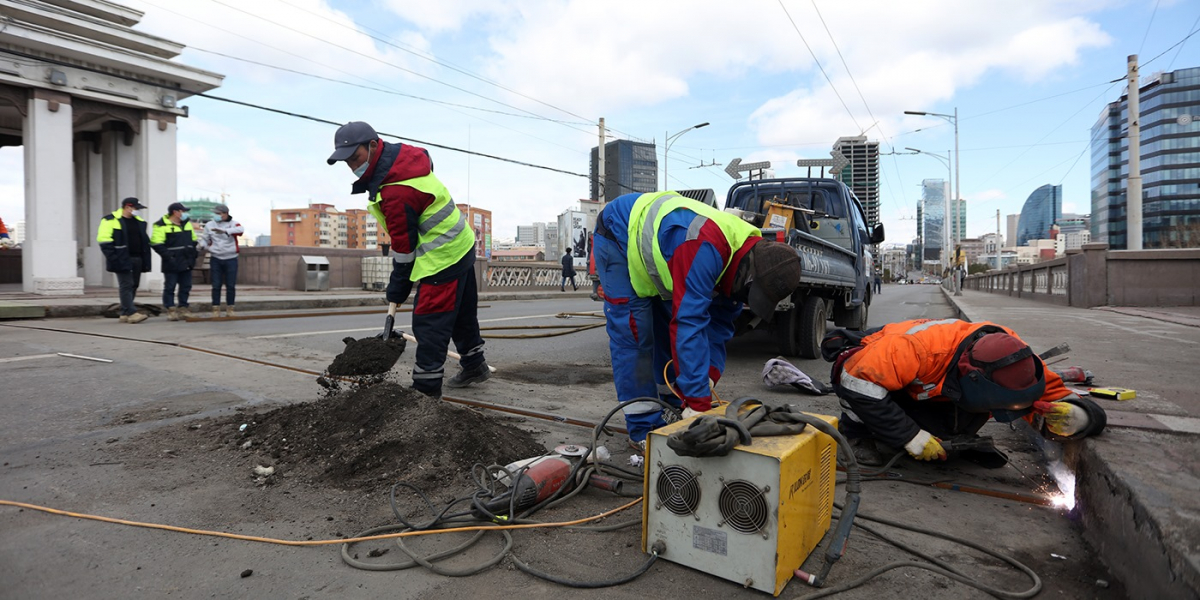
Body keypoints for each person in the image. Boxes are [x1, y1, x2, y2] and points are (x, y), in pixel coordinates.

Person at [595, 191, 803, 451]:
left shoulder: (745, 255)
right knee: (635, 334)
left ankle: (670, 404)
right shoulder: (704, 247)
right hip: (618, 234)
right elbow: (688, 325)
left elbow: (718, 327)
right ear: (749, 274)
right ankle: (642, 429)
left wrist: (709, 377)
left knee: (663, 332)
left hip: (664, 252)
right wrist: (699, 403)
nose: (746, 299)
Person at [327, 121, 488, 398]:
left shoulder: (396, 190)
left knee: (430, 322)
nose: (353, 167)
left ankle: (424, 393)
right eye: (347, 161)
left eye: (356, 158)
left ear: (373, 146)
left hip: (443, 258)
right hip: (462, 245)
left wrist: (398, 287)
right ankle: (474, 364)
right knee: (461, 315)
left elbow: (404, 248)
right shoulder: (403, 160)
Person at [826, 318, 1106, 466]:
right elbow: (856, 379)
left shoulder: (1015, 357)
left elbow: (1066, 400)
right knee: (855, 381)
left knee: (946, 429)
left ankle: (942, 434)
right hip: (867, 359)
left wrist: (1080, 417)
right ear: (971, 378)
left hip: (924, 379)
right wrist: (909, 436)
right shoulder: (917, 351)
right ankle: (857, 434)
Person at [97, 197, 152, 323]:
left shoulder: (139, 221)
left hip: (137, 257)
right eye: (136, 208)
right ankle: (131, 312)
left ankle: (124, 313)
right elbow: (104, 241)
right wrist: (114, 258)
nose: (138, 211)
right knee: (126, 285)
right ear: (128, 207)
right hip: (121, 258)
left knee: (134, 285)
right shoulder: (109, 220)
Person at [151, 202, 199, 321]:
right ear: (175, 212)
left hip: (187, 260)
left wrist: (193, 254)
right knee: (170, 286)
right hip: (172, 262)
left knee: (186, 286)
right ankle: (171, 309)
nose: (184, 214)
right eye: (182, 211)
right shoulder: (161, 225)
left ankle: (183, 307)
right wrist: (170, 256)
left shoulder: (186, 224)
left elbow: (193, 240)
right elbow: (156, 243)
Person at [200, 203, 243, 318]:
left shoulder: (233, 224)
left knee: (230, 285)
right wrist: (202, 245)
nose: (216, 215)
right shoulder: (209, 225)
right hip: (216, 258)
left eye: (219, 213)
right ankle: (215, 308)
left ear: (226, 213)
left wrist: (225, 231)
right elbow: (205, 238)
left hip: (231, 258)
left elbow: (240, 229)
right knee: (216, 285)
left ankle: (230, 308)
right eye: (215, 213)